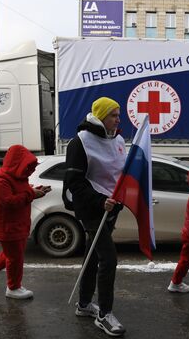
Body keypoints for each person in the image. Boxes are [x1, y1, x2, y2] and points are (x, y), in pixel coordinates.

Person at [65, 97, 127, 337]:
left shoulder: (118, 140)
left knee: (92, 256)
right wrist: (100, 201)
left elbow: (119, 173)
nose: (118, 119)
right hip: (92, 209)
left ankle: (83, 305)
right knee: (108, 259)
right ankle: (104, 315)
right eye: (113, 115)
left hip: (111, 209)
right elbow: (75, 182)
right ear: (100, 116)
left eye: (119, 115)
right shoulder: (79, 142)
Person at [0, 144, 50, 299]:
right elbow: (9, 202)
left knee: (12, 254)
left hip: (18, 223)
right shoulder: (0, 180)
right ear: (17, 163)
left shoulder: (18, 176)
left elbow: (21, 191)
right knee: (15, 257)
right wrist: (32, 195)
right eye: (27, 166)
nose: (29, 170)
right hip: (6, 226)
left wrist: (35, 190)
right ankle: (13, 288)